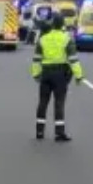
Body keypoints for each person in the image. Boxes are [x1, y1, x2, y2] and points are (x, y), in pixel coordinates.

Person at [31, 13, 84, 141]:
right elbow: (73, 59)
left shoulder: (43, 38)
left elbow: (36, 59)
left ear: (52, 24)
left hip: (46, 74)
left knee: (43, 102)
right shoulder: (66, 38)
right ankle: (59, 133)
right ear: (63, 25)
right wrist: (78, 76)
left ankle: (39, 131)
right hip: (60, 74)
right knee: (59, 103)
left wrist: (36, 74)